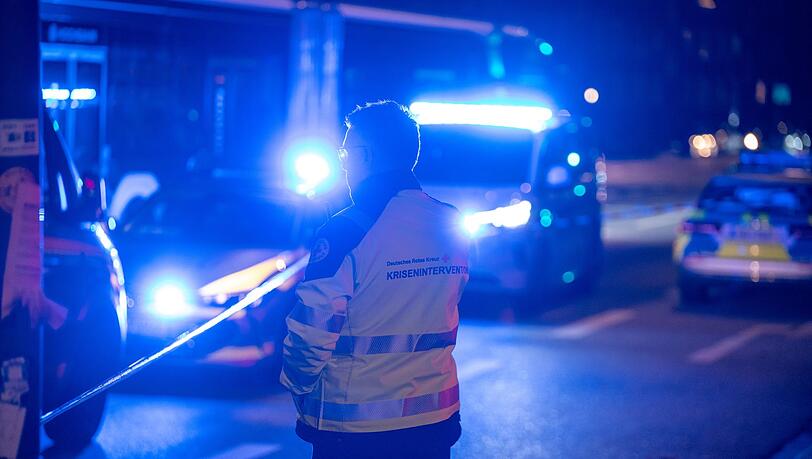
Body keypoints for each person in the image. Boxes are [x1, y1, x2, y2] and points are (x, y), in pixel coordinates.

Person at [280, 100, 469, 459]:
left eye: (345, 153)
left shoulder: (346, 232)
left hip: (356, 428)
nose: (344, 163)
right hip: (434, 421)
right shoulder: (450, 222)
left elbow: (312, 329)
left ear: (366, 157)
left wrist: (298, 384)